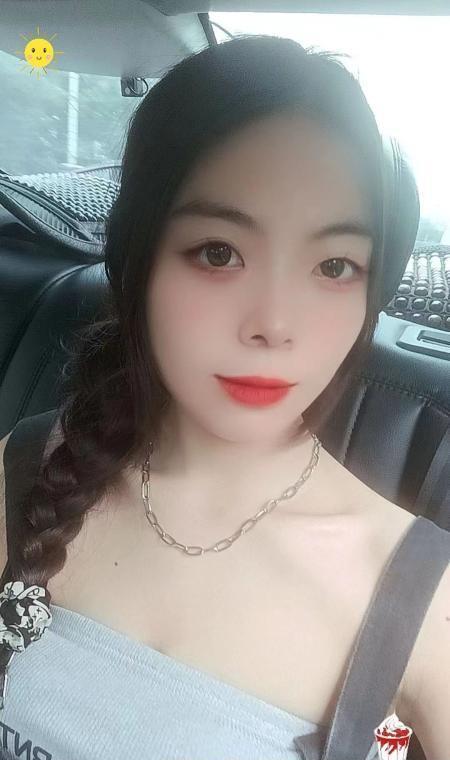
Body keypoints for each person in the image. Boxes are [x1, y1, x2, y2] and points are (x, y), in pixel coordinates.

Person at [0, 33, 447, 760]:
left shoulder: (422, 600)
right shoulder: (18, 473)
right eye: (219, 253)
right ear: (139, 259)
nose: (274, 324)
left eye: (335, 265)